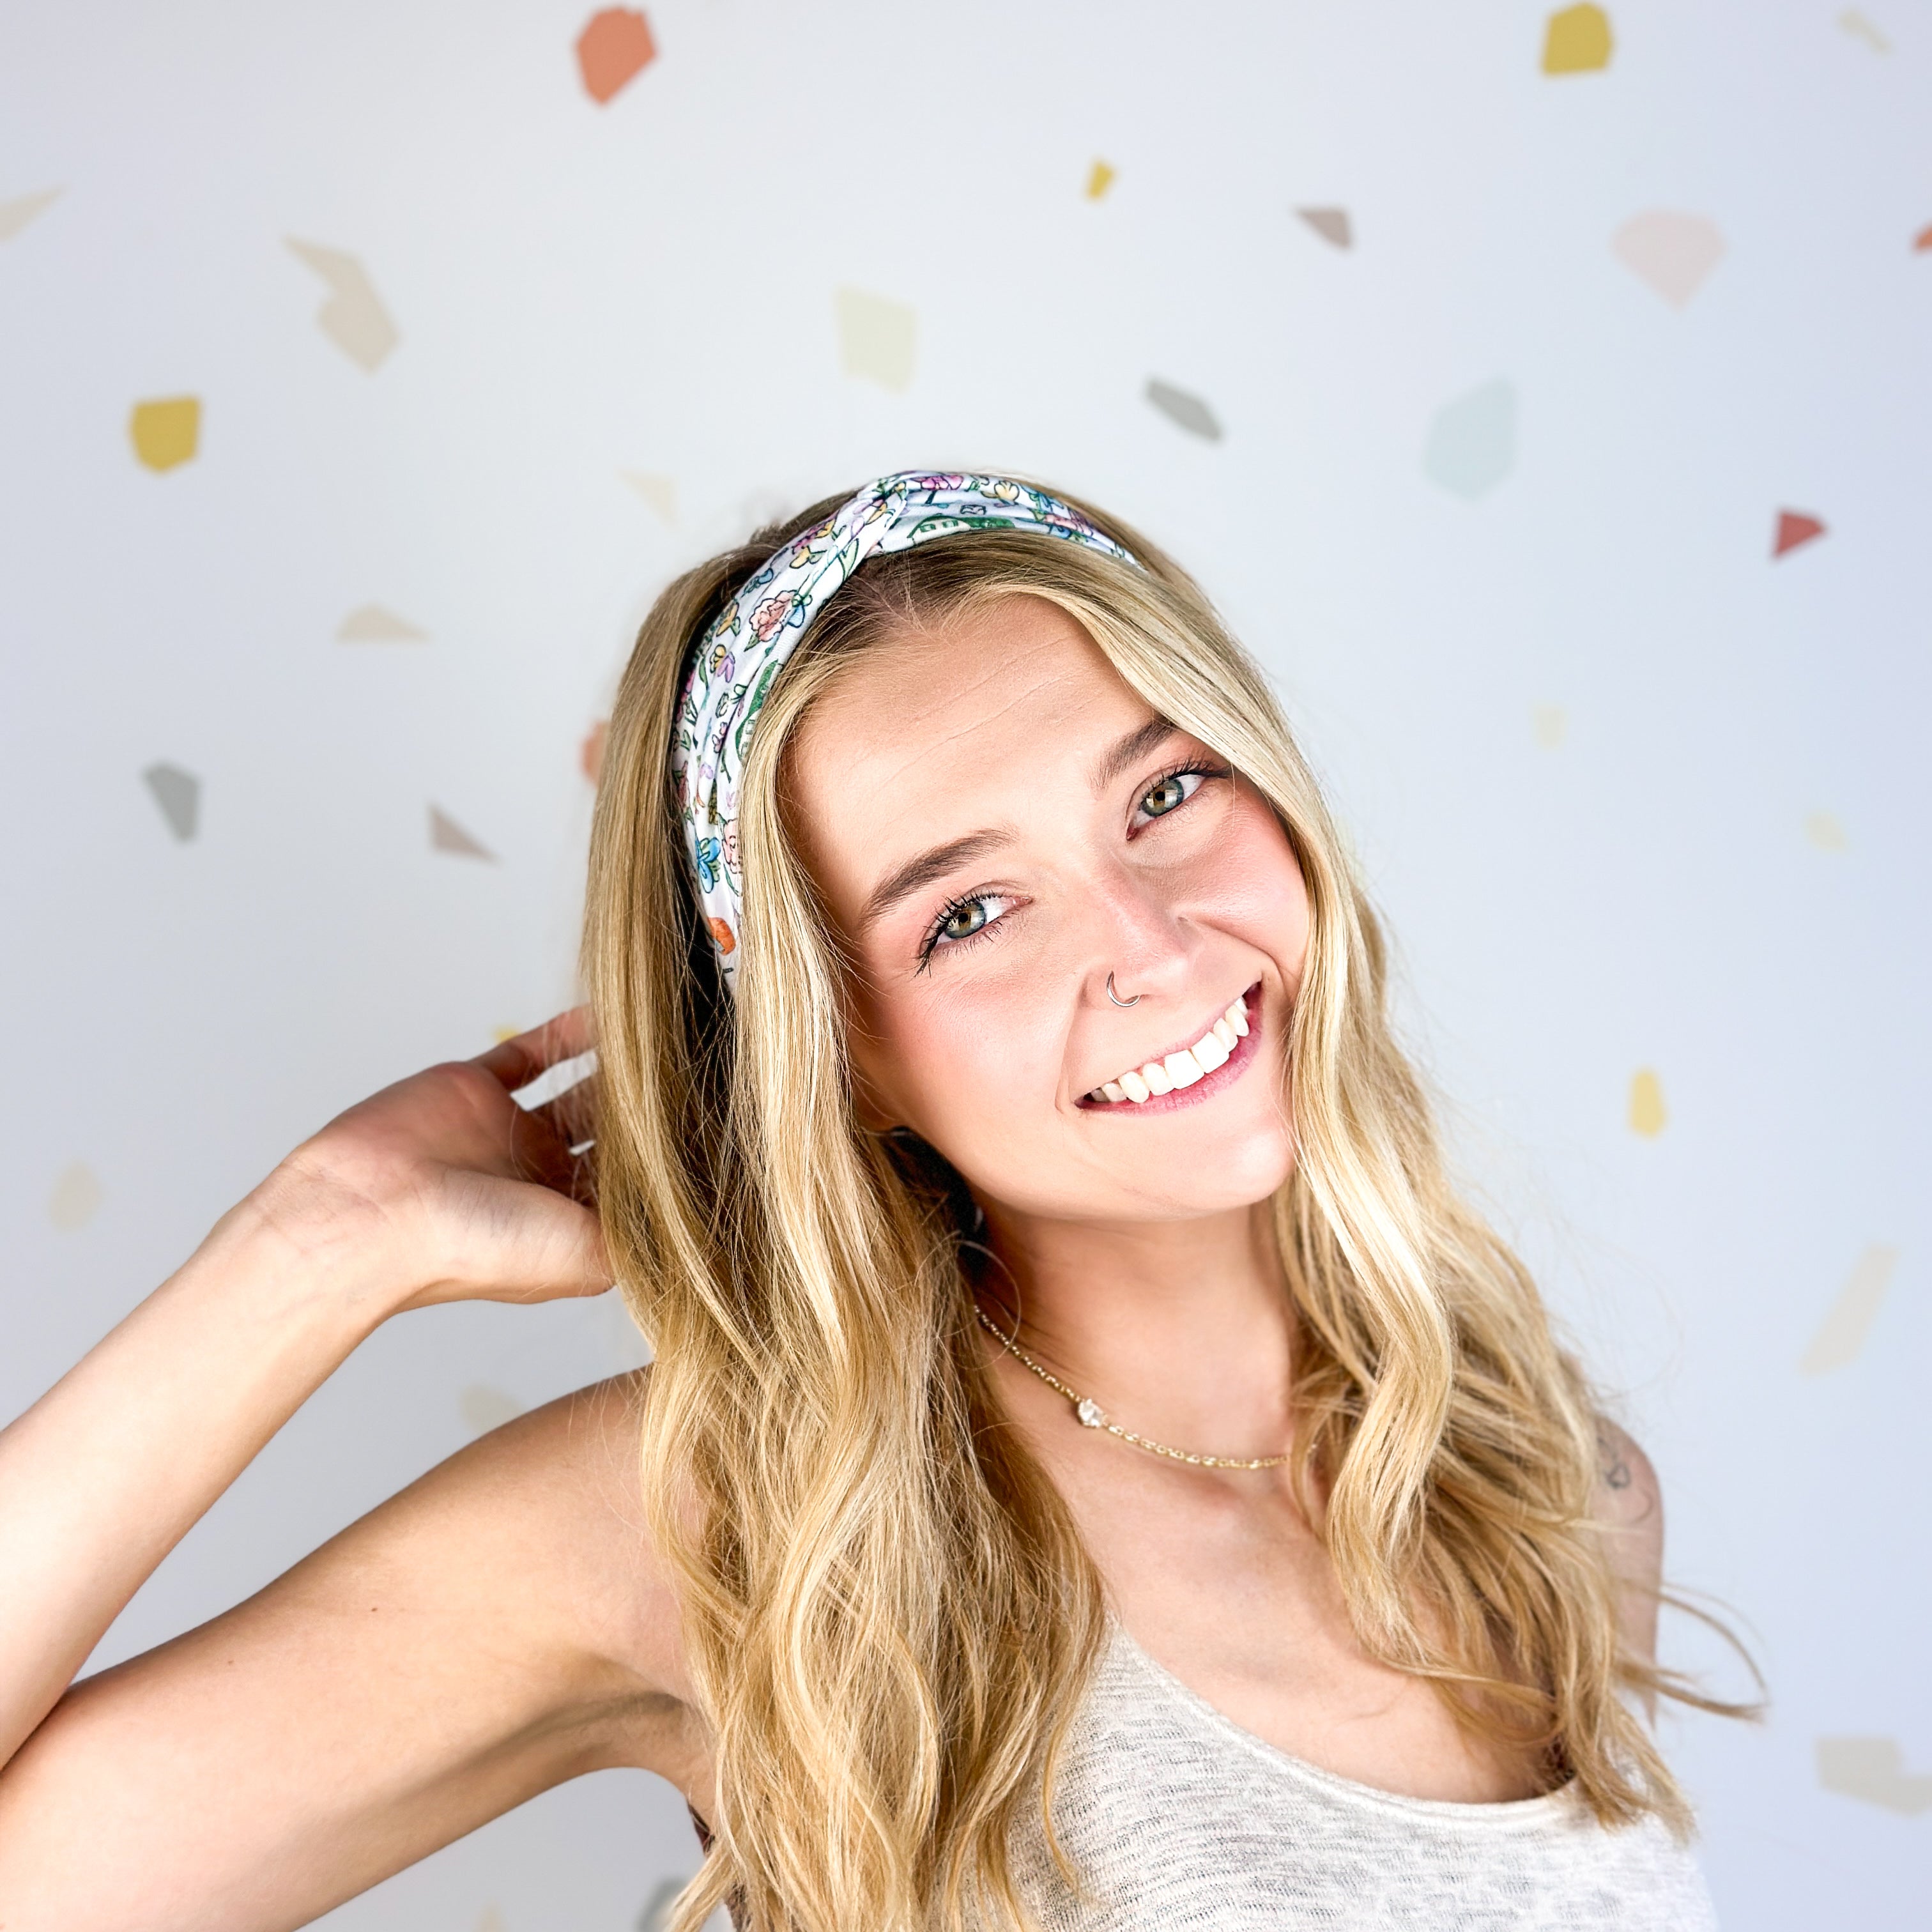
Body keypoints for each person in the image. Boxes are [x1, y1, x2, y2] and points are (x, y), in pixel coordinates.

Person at [0, 473, 1740, 1931]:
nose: (1148, 943)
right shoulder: (741, 1523)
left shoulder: (1549, 1484)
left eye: (1164, 792)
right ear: (837, 1057)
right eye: (967, 914)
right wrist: (321, 1242)